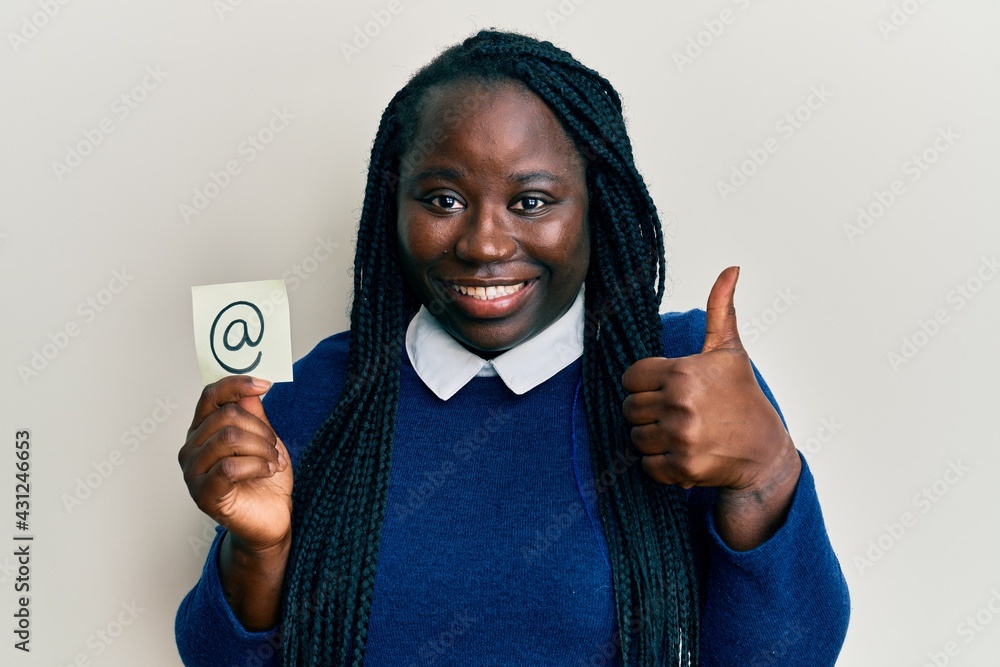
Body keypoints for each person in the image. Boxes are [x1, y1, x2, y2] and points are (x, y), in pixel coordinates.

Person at [175, 29, 850, 666]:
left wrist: (765, 473)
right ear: (394, 205)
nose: (484, 244)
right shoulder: (318, 397)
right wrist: (259, 549)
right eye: (442, 199)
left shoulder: (683, 379)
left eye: (531, 201)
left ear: (594, 205)